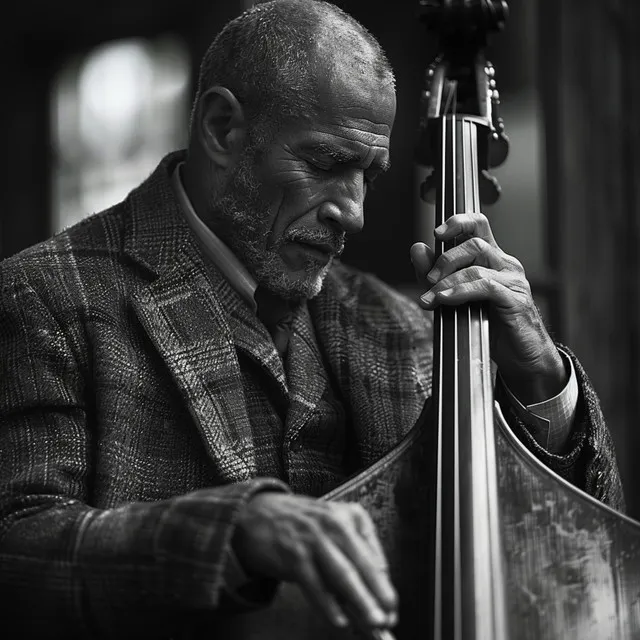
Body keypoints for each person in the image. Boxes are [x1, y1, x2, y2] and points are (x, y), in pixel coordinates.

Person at [0, 1, 624, 638]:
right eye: (326, 163)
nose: (353, 213)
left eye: (368, 176)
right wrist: (237, 530)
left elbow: (577, 562)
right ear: (222, 128)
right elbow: (18, 555)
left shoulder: (404, 327)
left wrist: (541, 378)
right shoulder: (47, 295)